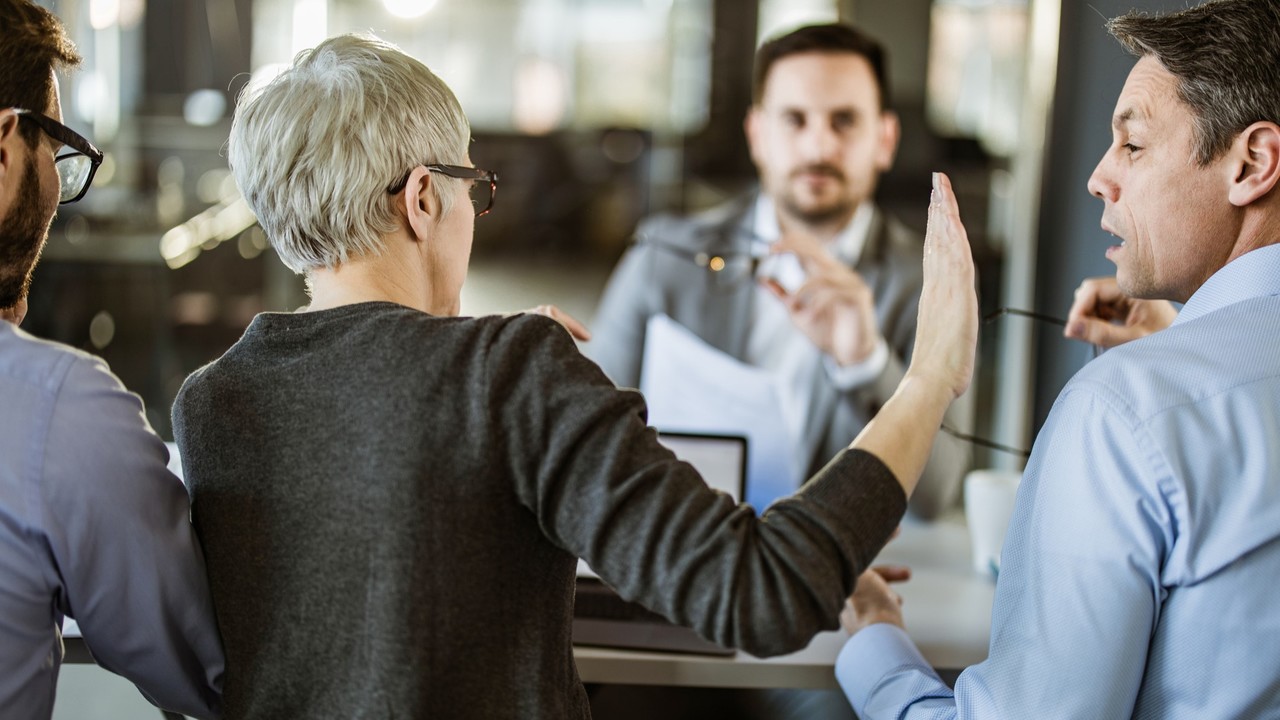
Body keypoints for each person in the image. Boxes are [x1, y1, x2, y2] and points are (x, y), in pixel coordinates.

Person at [170, 32, 978, 719]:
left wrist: (492, 370)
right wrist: (929, 374)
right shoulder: (509, 371)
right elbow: (759, 594)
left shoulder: (210, 402)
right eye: (472, 189)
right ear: (423, 199)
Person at [837, 0, 1280, 717]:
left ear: (1252, 163)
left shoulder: (1123, 410)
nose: (1099, 178)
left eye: (1132, 146)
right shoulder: (1160, 398)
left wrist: (875, 643)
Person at [588, 23, 972, 520]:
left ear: (885, 139)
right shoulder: (664, 256)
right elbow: (589, 445)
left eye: (844, 121)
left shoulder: (931, 278)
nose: (818, 147)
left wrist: (866, 362)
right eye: (794, 119)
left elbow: (934, 498)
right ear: (757, 135)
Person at [0, 2, 224, 718]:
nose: (60, 186)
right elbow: (209, 670)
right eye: (60, 149)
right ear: (5, 151)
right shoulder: (55, 412)